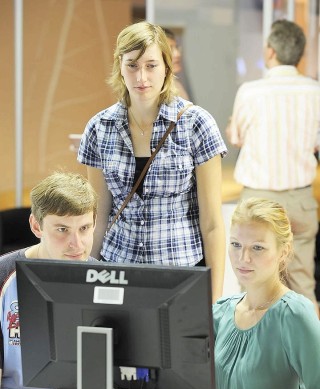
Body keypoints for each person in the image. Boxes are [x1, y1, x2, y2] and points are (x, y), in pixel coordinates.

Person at [77, 21, 227, 303]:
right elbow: (98, 219)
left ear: (167, 68)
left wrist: (215, 303)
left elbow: (212, 224)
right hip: (116, 273)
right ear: (119, 67)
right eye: (132, 65)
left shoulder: (196, 124)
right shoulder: (99, 127)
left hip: (180, 273)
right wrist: (86, 280)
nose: (141, 76)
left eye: (151, 65)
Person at [226, 19, 320, 314]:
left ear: (270, 52)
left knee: (253, 285)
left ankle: (255, 356)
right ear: (300, 55)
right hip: (300, 200)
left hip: (258, 202)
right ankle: (309, 357)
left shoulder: (250, 92)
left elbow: (236, 137)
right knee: (303, 284)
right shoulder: (315, 92)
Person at [213, 197, 320, 389]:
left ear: (283, 252)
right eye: (236, 245)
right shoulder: (221, 313)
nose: (244, 258)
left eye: (258, 248)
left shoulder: (294, 313)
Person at [0, 171, 98, 389]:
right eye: (62, 230)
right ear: (36, 226)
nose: (77, 244)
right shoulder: (3, 275)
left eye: (84, 228)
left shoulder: (107, 280)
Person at [163, 27, 190, 100]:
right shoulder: (157, 90)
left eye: (177, 47)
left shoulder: (176, 84)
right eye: (170, 49)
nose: (178, 54)